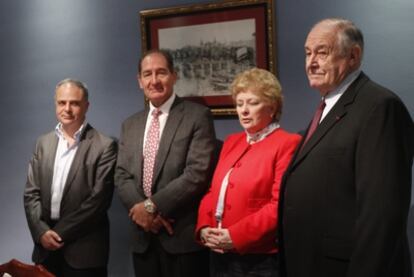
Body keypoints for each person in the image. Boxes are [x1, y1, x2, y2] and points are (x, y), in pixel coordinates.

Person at [279, 18, 414, 277]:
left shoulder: (379, 107)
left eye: (322, 52)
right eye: (308, 53)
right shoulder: (328, 107)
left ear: (353, 56)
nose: (311, 62)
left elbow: (381, 214)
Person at [115, 49, 216, 277]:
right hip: (143, 238)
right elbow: (121, 175)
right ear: (139, 81)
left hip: (180, 237)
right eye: (147, 74)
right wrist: (142, 214)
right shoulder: (129, 125)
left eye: (161, 73)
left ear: (174, 75)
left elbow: (196, 174)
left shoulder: (197, 116)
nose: (154, 81)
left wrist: (151, 207)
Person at [196, 68, 301, 276]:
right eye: (239, 103)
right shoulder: (231, 141)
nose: (244, 110)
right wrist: (204, 227)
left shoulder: (288, 143)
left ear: (272, 108)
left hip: (258, 258)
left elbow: (278, 205)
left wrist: (234, 236)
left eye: (252, 103)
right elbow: (212, 191)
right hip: (217, 253)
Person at [24, 79, 117, 277]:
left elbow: (98, 202)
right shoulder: (43, 142)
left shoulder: (104, 145)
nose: (67, 108)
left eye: (74, 103)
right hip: (45, 252)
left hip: (85, 254)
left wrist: (58, 234)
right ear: (55, 104)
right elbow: (31, 194)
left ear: (86, 106)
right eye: (61, 102)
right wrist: (41, 232)